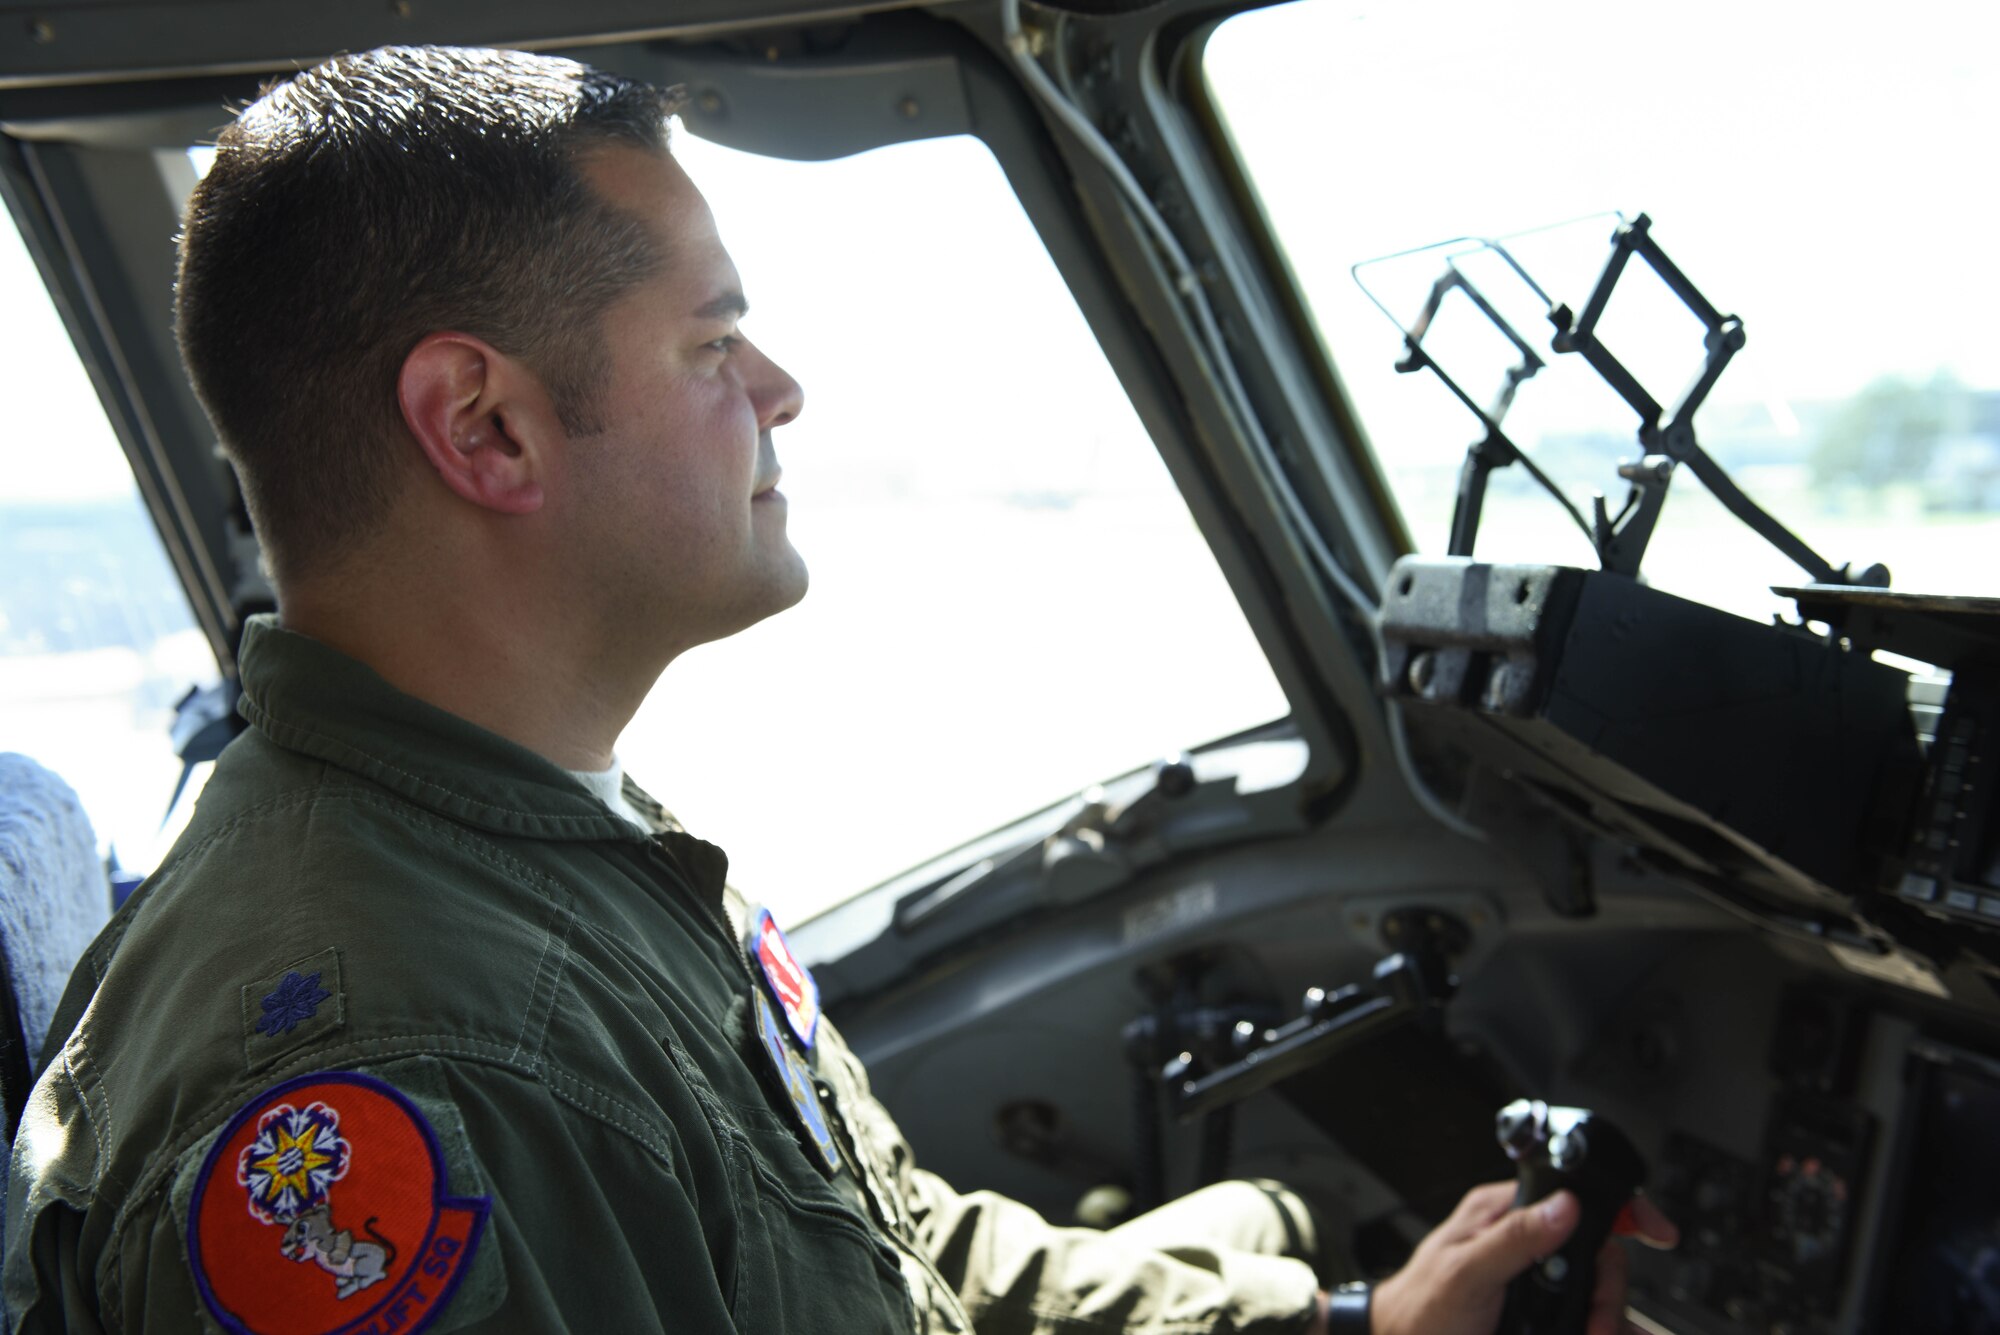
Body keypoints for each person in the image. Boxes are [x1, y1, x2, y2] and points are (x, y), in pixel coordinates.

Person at [0, 45, 1674, 1335]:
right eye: (713, 344)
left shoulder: (539, 836)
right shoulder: (438, 1072)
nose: (781, 390)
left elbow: (881, 1254)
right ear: (485, 426)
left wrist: (1350, 1323)